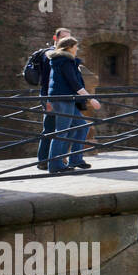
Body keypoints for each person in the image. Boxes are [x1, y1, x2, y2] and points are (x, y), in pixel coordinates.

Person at [46, 37, 99, 173]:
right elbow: (73, 82)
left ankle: (75, 159)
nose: (77, 48)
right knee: (62, 132)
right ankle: (55, 164)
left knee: (82, 127)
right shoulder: (65, 61)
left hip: (65, 99)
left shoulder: (62, 60)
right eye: (76, 46)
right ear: (69, 47)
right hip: (63, 99)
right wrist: (90, 98)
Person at [31, 27, 74, 170]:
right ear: (56, 39)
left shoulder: (63, 55)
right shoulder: (49, 55)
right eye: (63, 38)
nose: (66, 41)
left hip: (59, 98)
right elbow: (50, 81)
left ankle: (56, 160)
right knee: (50, 128)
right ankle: (46, 161)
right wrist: (48, 100)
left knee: (63, 128)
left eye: (68, 38)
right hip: (50, 96)